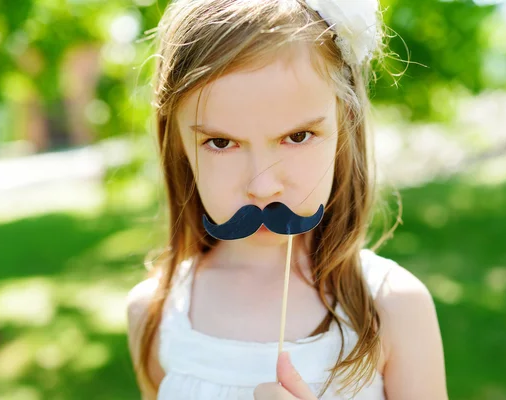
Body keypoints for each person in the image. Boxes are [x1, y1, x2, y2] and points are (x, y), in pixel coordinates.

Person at [126, 0, 449, 399]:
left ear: (343, 129)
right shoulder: (155, 316)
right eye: (221, 142)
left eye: (297, 137)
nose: (262, 188)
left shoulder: (393, 309)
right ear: (178, 147)